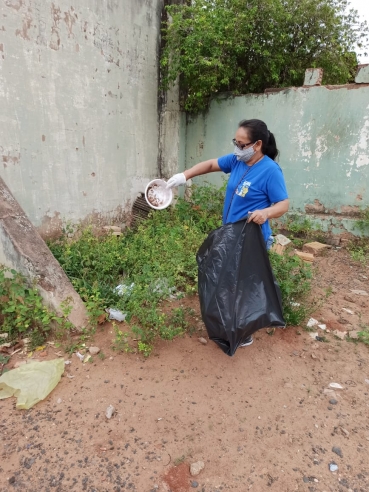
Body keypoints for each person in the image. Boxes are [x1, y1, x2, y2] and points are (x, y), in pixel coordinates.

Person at [166, 118, 289, 347]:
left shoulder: (270, 171)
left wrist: (266, 213)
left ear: (257, 144)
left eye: (242, 144)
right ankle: (232, 324)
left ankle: (245, 331)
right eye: (236, 142)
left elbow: (283, 204)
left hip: (251, 239)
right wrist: (184, 176)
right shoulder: (238, 161)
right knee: (229, 282)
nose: (237, 148)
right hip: (230, 235)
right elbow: (212, 164)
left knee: (242, 285)